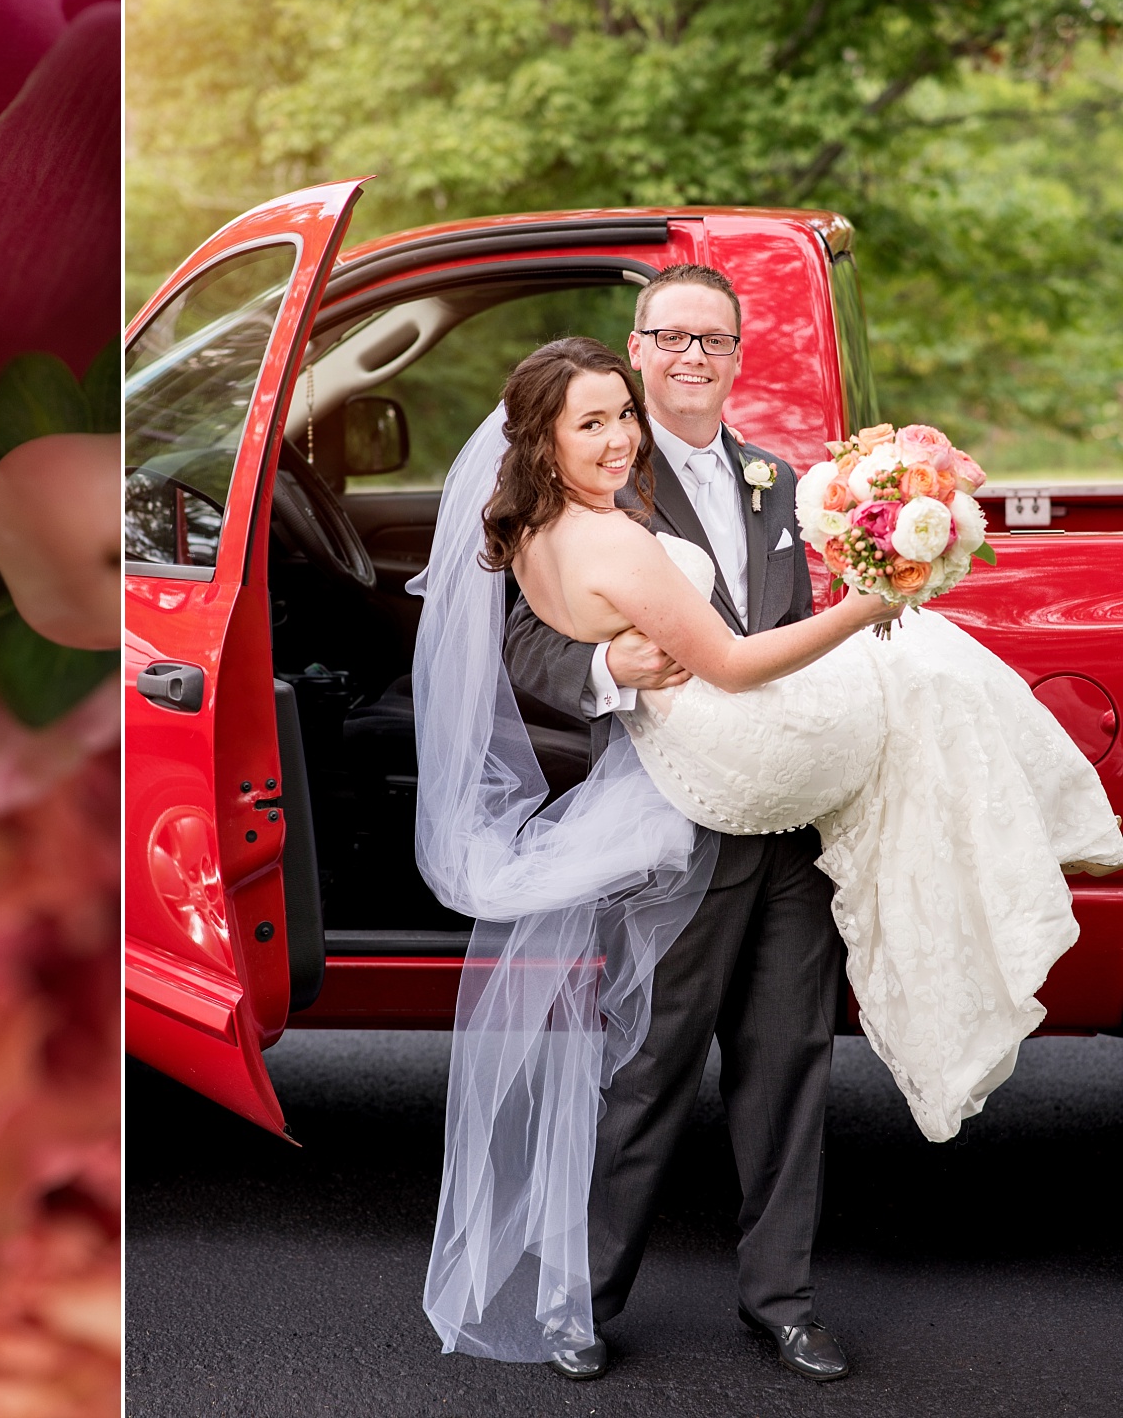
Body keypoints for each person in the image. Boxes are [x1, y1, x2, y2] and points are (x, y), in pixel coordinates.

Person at [413, 269, 1123, 1384]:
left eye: (714, 339)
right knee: (644, 1062)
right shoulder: (598, 475)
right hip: (670, 818)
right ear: (636, 350)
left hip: (793, 815)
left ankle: (780, 1301)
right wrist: (605, 665)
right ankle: (584, 1300)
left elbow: (803, 640)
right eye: (670, 336)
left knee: (786, 1061)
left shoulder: (785, 481)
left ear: (737, 356)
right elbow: (521, 640)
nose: (692, 356)